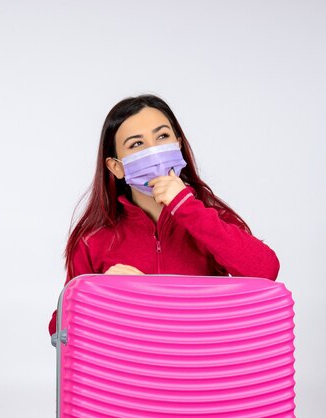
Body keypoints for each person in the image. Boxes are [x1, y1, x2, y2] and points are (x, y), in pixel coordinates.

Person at [48, 94, 280, 336]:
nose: (154, 151)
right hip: (128, 369)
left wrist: (186, 207)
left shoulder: (211, 217)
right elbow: (58, 329)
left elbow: (266, 271)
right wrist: (99, 291)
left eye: (162, 137)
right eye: (137, 144)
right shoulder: (94, 237)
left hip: (204, 365)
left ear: (178, 145)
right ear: (116, 167)